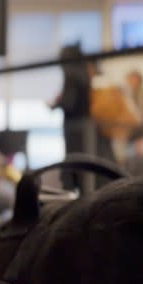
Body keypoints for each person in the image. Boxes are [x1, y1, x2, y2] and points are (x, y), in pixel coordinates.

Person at [51, 44, 92, 190]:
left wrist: (54, 104)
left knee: (73, 164)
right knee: (83, 167)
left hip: (74, 126)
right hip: (85, 125)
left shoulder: (71, 74)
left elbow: (68, 103)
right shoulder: (84, 72)